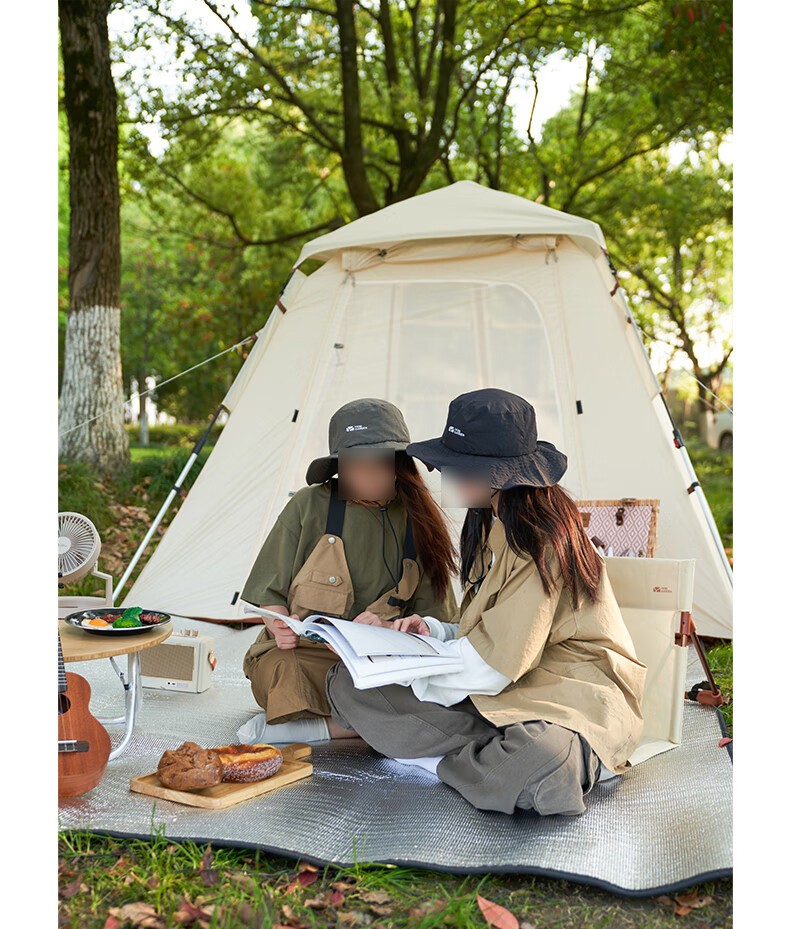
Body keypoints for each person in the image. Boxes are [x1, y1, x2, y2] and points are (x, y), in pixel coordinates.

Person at [325, 388, 648, 817]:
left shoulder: (541, 541)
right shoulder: (490, 521)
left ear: (496, 473)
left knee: (542, 758)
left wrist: (410, 671)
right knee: (349, 684)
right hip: (504, 692)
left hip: (567, 698)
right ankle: (485, 766)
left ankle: (445, 762)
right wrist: (432, 632)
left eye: (458, 466)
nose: (447, 475)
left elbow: (495, 667)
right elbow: (488, 631)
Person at [238, 397, 458, 746]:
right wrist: (278, 624)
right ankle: (371, 726)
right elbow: (269, 593)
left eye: (378, 464)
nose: (366, 474)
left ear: (399, 465)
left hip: (382, 663)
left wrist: (389, 630)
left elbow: (437, 626)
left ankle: (327, 729)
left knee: (436, 689)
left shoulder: (419, 520)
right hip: (307, 655)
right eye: (356, 465)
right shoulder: (308, 505)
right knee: (282, 671)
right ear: (339, 467)